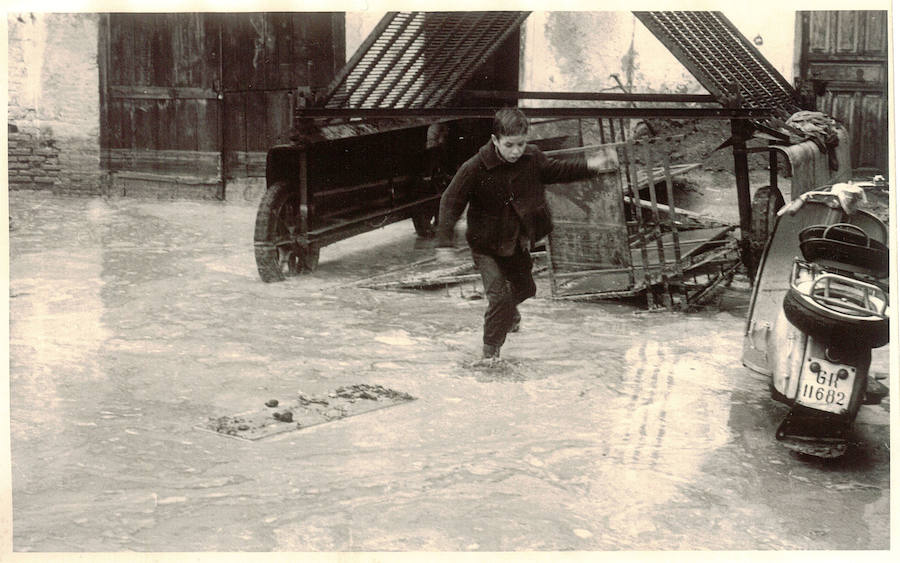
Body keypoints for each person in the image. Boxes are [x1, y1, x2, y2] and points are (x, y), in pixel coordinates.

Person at [435, 107, 604, 366]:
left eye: (521, 144)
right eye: (509, 145)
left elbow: (558, 170)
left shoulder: (532, 157)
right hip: (485, 244)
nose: (516, 151)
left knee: (526, 288)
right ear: (495, 140)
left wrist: (592, 166)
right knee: (500, 297)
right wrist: (445, 242)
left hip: (516, 240)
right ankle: (490, 356)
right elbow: (450, 201)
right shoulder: (475, 167)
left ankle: (506, 313)